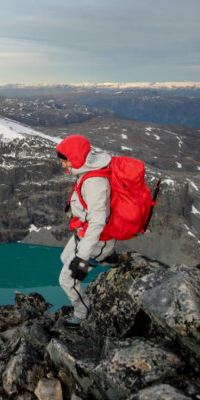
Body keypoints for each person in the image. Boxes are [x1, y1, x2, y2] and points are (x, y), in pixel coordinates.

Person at [56, 134, 117, 328]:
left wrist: (82, 257)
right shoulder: (86, 171)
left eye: (65, 161)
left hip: (97, 239)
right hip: (83, 234)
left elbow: (97, 222)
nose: (63, 165)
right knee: (65, 258)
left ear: (75, 157)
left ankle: (83, 313)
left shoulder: (94, 183)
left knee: (67, 279)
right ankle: (106, 257)